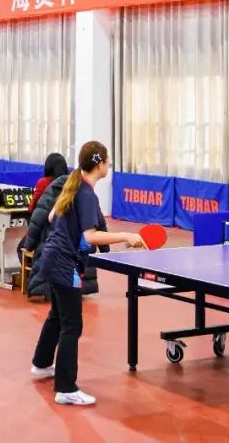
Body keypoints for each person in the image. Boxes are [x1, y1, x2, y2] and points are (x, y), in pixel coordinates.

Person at [30, 141, 144, 406]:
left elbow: (51, 217)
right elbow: (90, 236)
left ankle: (41, 364)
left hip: (50, 258)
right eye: (107, 160)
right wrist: (125, 235)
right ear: (99, 164)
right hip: (64, 264)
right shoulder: (86, 194)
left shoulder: (74, 184)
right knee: (72, 325)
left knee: (57, 316)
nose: (109, 164)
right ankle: (66, 388)